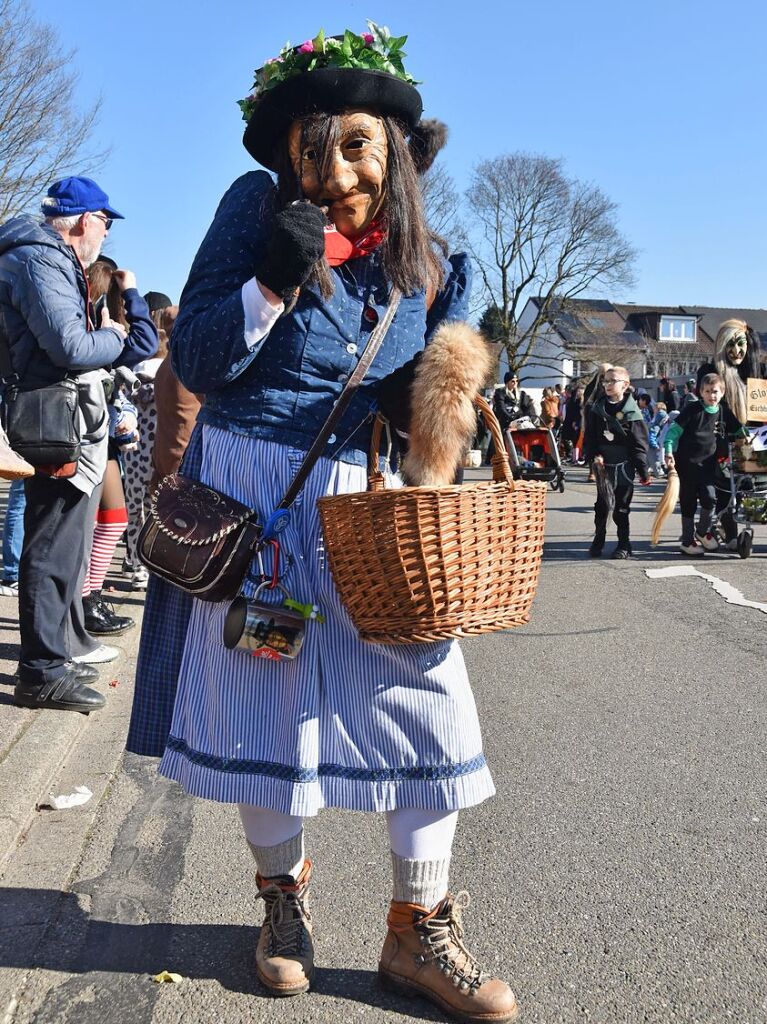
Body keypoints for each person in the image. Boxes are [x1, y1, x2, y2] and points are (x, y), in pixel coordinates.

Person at [126, 24, 518, 1024]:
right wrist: (268, 280)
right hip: (252, 501)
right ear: (286, 149)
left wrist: (448, 391)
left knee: (427, 703)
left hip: (364, 518)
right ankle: (281, 903)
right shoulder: (250, 215)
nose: (334, 166)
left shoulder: (426, 264)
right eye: (315, 144)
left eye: (356, 144)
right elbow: (202, 363)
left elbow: (414, 417)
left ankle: (415, 928)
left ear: (391, 150)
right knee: (267, 706)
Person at [0, 176, 129, 713]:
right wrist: (118, 337)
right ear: (82, 220)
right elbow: (69, 344)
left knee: (61, 544)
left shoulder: (39, 257)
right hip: (49, 417)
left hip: (51, 414)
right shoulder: (41, 259)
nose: (106, 232)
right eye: (105, 220)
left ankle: (51, 658)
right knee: (53, 545)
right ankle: (43, 670)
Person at [697, 319, 764, 550]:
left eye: (740, 344)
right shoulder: (710, 373)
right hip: (722, 440)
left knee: (753, 486)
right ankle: (730, 532)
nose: (736, 350)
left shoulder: (757, 373)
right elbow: (710, 406)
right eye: (730, 345)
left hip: (755, 440)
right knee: (726, 487)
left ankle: (744, 525)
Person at [664, 372, 739, 555]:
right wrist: (668, 451)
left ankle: (702, 531)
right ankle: (687, 541)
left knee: (709, 497)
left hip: (708, 466)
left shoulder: (723, 412)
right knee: (688, 502)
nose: (711, 395)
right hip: (687, 464)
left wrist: (751, 436)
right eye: (707, 391)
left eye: (715, 391)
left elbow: (738, 430)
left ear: (722, 392)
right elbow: (674, 432)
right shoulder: (692, 409)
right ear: (701, 392)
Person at [582, 366, 651, 558]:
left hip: (624, 467)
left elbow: (639, 444)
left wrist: (643, 470)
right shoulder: (597, 408)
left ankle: (623, 544)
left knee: (621, 508)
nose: (608, 385)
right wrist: (594, 455)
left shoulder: (632, 412)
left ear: (625, 385)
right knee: (602, 507)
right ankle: (598, 540)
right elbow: (591, 437)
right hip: (603, 465)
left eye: (613, 381)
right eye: (605, 381)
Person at [647, 401, 668, 477]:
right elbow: (651, 436)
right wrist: (655, 445)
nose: (654, 410)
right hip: (651, 445)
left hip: (648, 444)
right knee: (655, 460)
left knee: (648, 460)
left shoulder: (654, 422)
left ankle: (644, 473)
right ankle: (659, 473)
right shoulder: (656, 426)